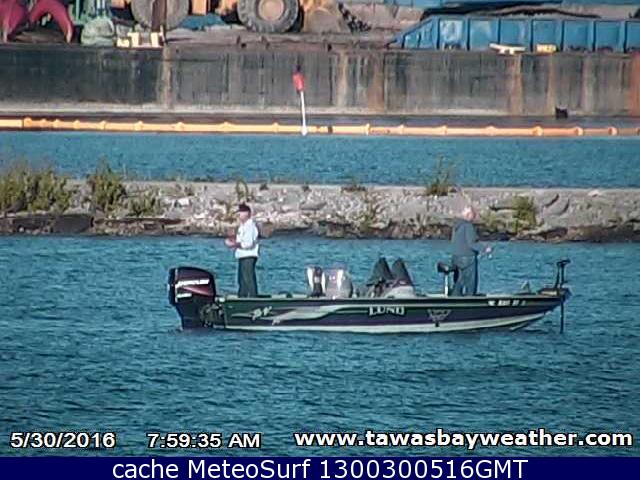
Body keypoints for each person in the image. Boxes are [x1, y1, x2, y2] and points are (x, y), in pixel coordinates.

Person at [450, 205, 492, 296]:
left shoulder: (456, 226)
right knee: (471, 283)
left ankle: (455, 298)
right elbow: (472, 243)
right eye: (473, 216)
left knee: (459, 281)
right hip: (467, 258)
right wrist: (485, 248)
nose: (474, 219)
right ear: (469, 215)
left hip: (456, 258)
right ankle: (470, 299)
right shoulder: (468, 226)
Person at [224, 203, 259, 297]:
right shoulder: (243, 226)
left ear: (247, 213)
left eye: (241, 212)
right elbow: (241, 240)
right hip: (242, 255)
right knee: (241, 280)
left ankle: (252, 298)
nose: (239, 214)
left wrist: (233, 244)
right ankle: (242, 296)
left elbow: (248, 244)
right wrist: (233, 240)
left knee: (248, 279)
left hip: (249, 256)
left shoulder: (250, 226)